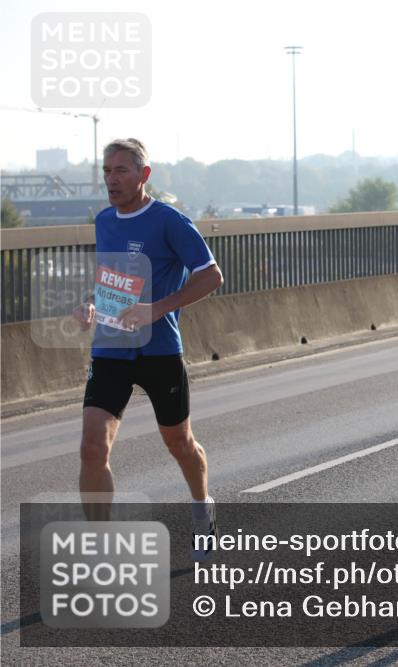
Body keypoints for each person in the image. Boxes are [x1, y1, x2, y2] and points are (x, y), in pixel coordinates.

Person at [72, 138, 224, 558]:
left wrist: (155, 309)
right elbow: (112, 281)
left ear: (144, 175)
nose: (111, 179)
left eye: (121, 170)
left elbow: (211, 277)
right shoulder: (104, 221)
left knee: (180, 443)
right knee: (91, 447)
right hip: (111, 350)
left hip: (159, 352)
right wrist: (90, 303)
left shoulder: (169, 221)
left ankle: (201, 508)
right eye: (106, 171)